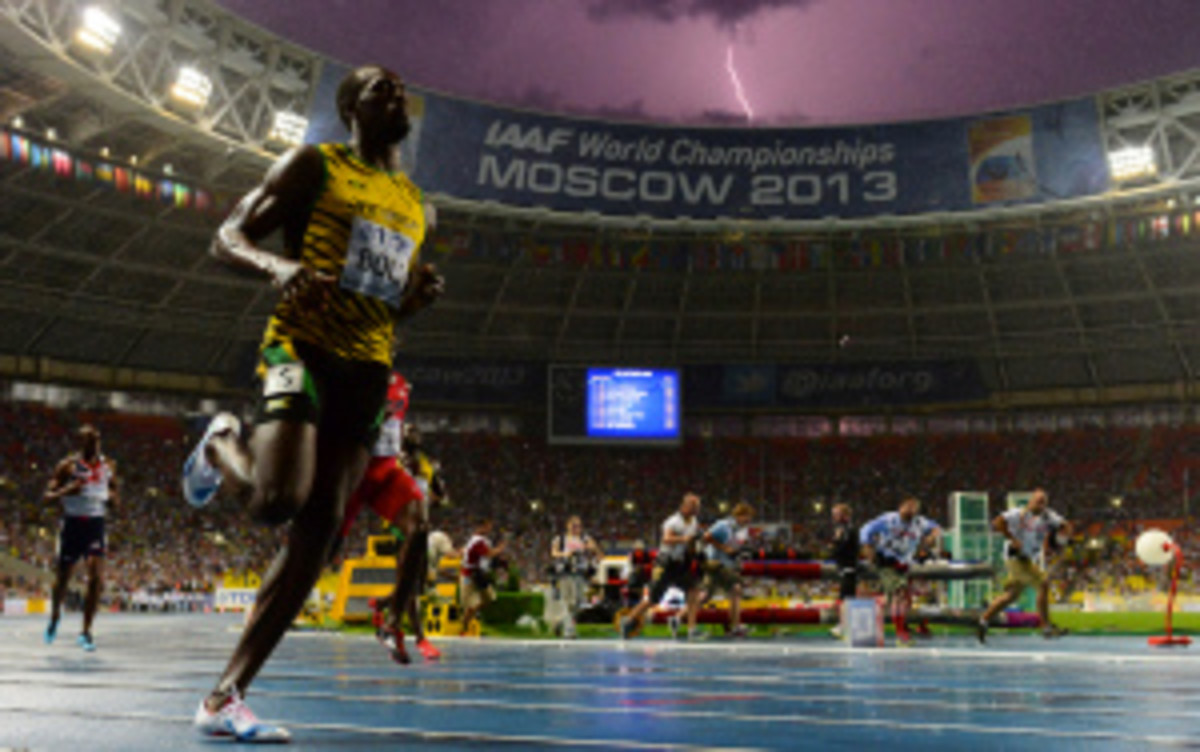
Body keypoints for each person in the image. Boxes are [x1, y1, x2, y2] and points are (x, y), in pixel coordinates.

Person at [180, 64, 443, 742]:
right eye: (379, 86)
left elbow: (378, 301)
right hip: (300, 350)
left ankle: (223, 698)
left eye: (399, 83)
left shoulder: (418, 205)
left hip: (367, 372)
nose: (395, 90)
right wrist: (279, 267)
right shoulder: (313, 165)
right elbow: (227, 236)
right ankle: (219, 442)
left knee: (316, 538)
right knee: (275, 502)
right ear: (352, 108)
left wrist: (410, 302)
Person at [338, 372, 434, 664]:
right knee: (315, 555)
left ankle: (393, 624)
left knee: (420, 529)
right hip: (349, 474)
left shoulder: (401, 383)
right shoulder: (347, 373)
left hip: (385, 474)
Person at [43, 424, 119, 652]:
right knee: (63, 579)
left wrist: (112, 498)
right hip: (72, 524)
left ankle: (86, 632)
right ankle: (55, 615)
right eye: (89, 440)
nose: (95, 445)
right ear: (81, 443)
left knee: (96, 576)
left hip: (95, 524)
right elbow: (47, 497)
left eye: (97, 440)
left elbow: (115, 496)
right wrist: (67, 491)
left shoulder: (109, 466)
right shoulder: (66, 467)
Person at [977, 489, 1073, 643]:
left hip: (1028, 559)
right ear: (1031, 501)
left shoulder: (1048, 516)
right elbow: (997, 522)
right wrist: (1012, 538)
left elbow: (1065, 524)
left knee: (1010, 596)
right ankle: (1046, 627)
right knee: (1043, 584)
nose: (1041, 505)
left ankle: (983, 620)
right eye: (1038, 501)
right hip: (1015, 558)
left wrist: (1065, 536)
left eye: (1044, 502)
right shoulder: (1017, 514)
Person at [620, 493, 704, 640]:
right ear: (685, 506)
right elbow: (666, 539)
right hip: (666, 563)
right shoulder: (673, 521)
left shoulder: (693, 522)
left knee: (694, 591)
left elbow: (690, 542)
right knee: (653, 599)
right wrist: (685, 539)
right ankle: (628, 620)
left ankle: (692, 629)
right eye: (694, 506)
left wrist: (695, 548)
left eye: (698, 506)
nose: (696, 509)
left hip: (681, 563)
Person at [860, 498, 941, 647]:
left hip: (906, 564)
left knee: (906, 598)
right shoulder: (889, 519)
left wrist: (932, 536)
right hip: (887, 561)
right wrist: (868, 546)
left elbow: (936, 527)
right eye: (908, 506)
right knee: (900, 593)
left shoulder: (919, 522)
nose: (911, 509)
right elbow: (865, 529)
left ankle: (905, 627)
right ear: (900, 507)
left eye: (915, 507)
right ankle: (900, 633)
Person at [701, 502, 754, 638]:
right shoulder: (723, 525)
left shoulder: (739, 530)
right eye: (747, 517)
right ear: (739, 515)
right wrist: (725, 549)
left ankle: (677, 617)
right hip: (716, 563)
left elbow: (732, 548)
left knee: (706, 595)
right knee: (736, 589)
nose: (748, 521)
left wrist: (739, 555)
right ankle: (735, 626)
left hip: (725, 565)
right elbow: (706, 537)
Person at [550, 515, 604, 638]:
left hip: (580, 573)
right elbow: (553, 552)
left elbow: (597, 551)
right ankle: (569, 631)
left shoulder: (585, 538)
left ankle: (559, 621)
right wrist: (565, 554)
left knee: (579, 602)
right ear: (568, 526)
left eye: (578, 526)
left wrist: (593, 549)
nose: (576, 528)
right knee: (569, 601)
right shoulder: (561, 539)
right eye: (574, 525)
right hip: (565, 572)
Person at [460, 519, 505, 635]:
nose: (490, 529)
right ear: (483, 526)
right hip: (468, 575)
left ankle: (472, 614)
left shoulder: (481, 540)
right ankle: (465, 623)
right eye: (488, 526)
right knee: (469, 603)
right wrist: (500, 549)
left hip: (479, 574)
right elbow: (488, 553)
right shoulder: (477, 541)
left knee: (489, 598)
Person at [828, 503, 857, 639]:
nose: (833, 516)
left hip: (848, 568)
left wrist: (835, 541)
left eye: (836, 513)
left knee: (845, 599)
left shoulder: (847, 529)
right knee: (844, 599)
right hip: (845, 567)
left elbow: (839, 549)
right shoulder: (845, 528)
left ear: (844, 515)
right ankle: (844, 626)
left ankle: (844, 627)